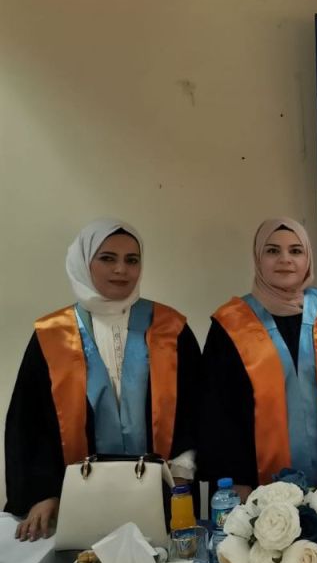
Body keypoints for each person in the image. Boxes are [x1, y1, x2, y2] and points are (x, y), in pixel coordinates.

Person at [5, 219, 201, 540]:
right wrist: (43, 492)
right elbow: (30, 424)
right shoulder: (52, 335)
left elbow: (196, 406)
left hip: (163, 492)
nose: (121, 270)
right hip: (74, 499)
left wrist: (181, 475)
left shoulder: (170, 327)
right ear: (84, 262)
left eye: (131, 260)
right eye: (108, 258)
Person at [200, 217, 317, 500]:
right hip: (254, 479)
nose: (285, 260)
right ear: (258, 258)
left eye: (296, 250)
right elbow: (218, 411)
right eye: (272, 251)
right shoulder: (231, 323)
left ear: (308, 258)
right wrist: (235, 478)